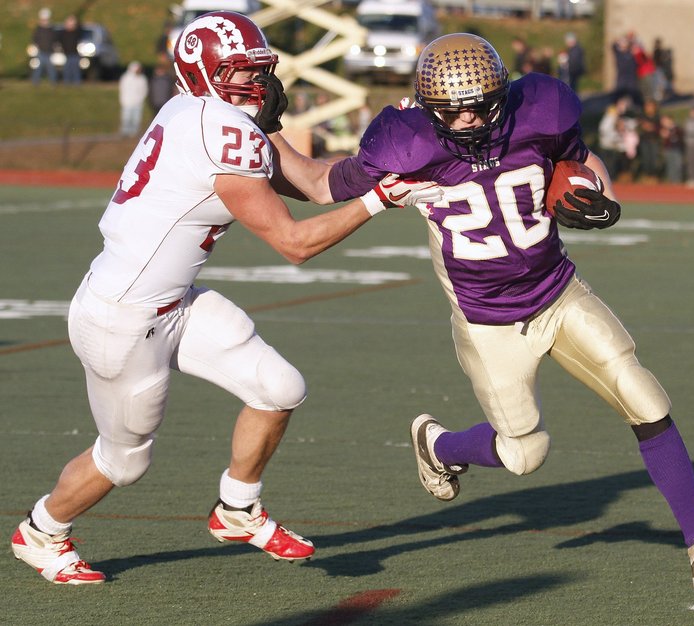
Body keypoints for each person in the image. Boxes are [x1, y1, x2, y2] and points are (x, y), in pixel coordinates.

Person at [264, 33, 694, 594]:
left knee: (645, 396)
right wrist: (264, 134)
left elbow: (580, 161)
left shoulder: (540, 113)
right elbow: (318, 185)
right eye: (451, 112)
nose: (467, 122)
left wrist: (602, 192)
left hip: (558, 293)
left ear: (503, 95)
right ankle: (439, 445)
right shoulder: (402, 146)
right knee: (525, 454)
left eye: (480, 106)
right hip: (487, 324)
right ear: (426, 108)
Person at [9, 11, 438, 586]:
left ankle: (237, 509)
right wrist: (380, 200)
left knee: (279, 388)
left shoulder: (206, 113)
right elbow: (293, 242)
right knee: (123, 462)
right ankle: (40, 532)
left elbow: (317, 181)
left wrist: (396, 152)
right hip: (124, 317)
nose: (255, 85)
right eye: (239, 73)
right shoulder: (221, 132)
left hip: (174, 301)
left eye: (259, 70)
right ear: (203, 73)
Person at [118, 61, 149, 137]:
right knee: (126, 118)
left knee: (136, 119)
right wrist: (123, 100)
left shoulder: (142, 78)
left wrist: (141, 99)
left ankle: (134, 133)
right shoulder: (126, 78)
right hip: (127, 102)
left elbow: (144, 90)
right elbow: (122, 89)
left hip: (138, 103)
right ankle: (125, 132)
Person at [31, 7, 57, 86]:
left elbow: (54, 39)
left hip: (49, 50)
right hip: (41, 51)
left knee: (50, 68)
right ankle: (35, 82)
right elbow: (34, 38)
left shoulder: (51, 28)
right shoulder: (38, 29)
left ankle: (53, 82)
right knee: (39, 67)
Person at [60, 14, 82, 85]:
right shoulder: (64, 33)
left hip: (74, 54)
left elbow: (80, 29)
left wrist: (75, 22)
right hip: (67, 54)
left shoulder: (76, 32)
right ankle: (66, 83)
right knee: (67, 70)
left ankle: (77, 84)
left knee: (76, 70)